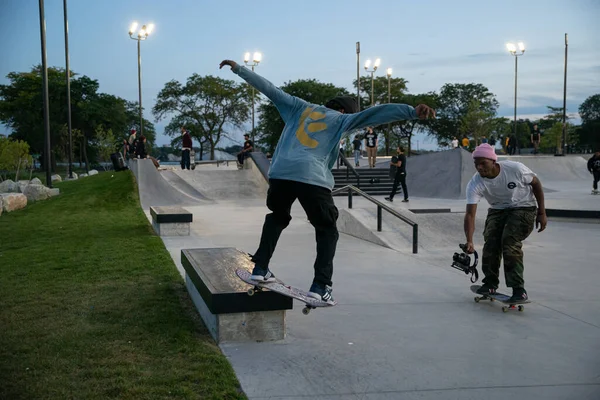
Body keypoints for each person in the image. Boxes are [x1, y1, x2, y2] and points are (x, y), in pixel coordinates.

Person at [219, 59, 435, 302]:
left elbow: (269, 89)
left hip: (280, 175)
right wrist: (411, 112)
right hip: (312, 177)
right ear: (345, 112)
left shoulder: (298, 107)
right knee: (326, 229)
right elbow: (375, 114)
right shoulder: (342, 120)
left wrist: (238, 69)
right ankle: (321, 286)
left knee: (277, 216)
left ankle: (259, 268)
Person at [463, 143, 547, 303]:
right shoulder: (475, 183)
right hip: (497, 210)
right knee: (491, 244)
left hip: (524, 207)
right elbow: (470, 214)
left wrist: (542, 212)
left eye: (483, 164)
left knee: (509, 241)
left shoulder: (515, 169)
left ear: (493, 161)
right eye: (476, 164)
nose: (479, 168)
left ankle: (519, 290)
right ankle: (490, 283)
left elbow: (536, 183)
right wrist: (469, 240)